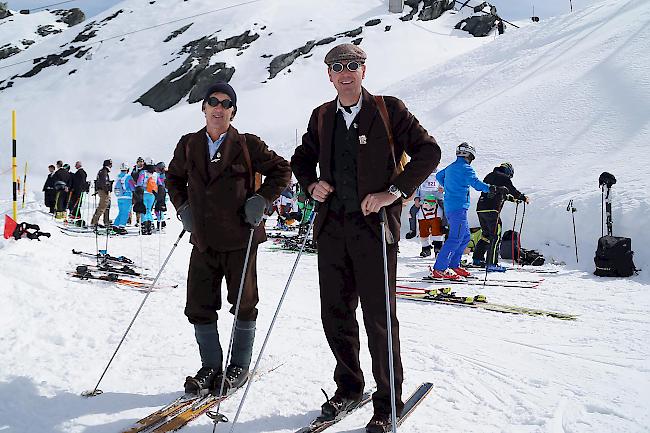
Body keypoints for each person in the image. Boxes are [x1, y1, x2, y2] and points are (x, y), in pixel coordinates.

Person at [290, 44, 440, 433]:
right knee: (335, 314)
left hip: (375, 231)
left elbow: (428, 151)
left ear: (363, 70)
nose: (345, 72)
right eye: (338, 66)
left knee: (379, 319)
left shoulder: (390, 110)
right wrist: (311, 184)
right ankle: (350, 387)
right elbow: (301, 159)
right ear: (329, 74)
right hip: (332, 231)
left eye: (352, 65)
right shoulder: (322, 116)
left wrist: (395, 191)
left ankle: (388, 402)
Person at [166, 82, 291, 396]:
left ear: (233, 111)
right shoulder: (189, 144)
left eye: (226, 103)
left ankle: (238, 366)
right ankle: (210, 367)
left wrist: (262, 199)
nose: (219, 108)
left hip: (241, 239)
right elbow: (173, 178)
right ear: (204, 107)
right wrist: (183, 207)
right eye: (213, 102)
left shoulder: (248, 144)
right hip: (204, 239)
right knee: (198, 304)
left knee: (244, 303)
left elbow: (282, 170)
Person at [430, 143, 507, 280]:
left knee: (465, 237)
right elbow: (477, 184)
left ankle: (454, 265)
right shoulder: (466, 169)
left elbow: (439, 176)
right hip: (458, 208)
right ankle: (440, 268)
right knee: (455, 238)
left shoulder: (450, 168)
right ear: (470, 155)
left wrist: (449, 186)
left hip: (452, 207)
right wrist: (493, 189)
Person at [472, 162, 529, 271]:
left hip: (481, 209)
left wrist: (513, 199)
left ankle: (477, 259)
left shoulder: (489, 176)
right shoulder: (504, 178)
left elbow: (499, 192)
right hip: (492, 210)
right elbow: (511, 190)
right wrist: (522, 197)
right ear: (508, 172)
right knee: (495, 236)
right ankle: (491, 263)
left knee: (486, 235)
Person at [136, 158, 158, 235]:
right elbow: (159, 184)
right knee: (149, 210)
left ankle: (144, 226)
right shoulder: (155, 174)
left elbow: (139, 183)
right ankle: (150, 225)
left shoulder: (143, 173)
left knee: (143, 210)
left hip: (144, 193)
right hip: (152, 194)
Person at [113, 163, 135, 233]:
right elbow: (132, 187)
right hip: (127, 197)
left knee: (121, 212)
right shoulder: (128, 177)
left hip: (119, 197)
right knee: (126, 212)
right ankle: (122, 227)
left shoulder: (118, 176)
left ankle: (115, 225)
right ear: (127, 169)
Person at [91, 159, 113, 228]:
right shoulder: (104, 172)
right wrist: (107, 189)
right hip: (103, 191)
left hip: (102, 190)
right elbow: (103, 183)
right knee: (102, 206)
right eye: (110, 164)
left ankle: (105, 221)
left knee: (106, 206)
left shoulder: (102, 171)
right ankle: (94, 222)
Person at [130, 157, 145, 226]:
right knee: (136, 204)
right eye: (139, 161)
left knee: (142, 204)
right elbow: (131, 178)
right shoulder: (134, 170)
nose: (141, 163)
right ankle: (136, 220)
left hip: (143, 190)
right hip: (135, 189)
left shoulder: (145, 170)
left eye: (142, 161)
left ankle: (143, 220)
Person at [154, 162, 167, 231]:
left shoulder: (163, 176)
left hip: (162, 194)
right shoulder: (161, 175)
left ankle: (161, 223)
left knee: (159, 209)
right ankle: (162, 222)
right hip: (161, 194)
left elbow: (161, 185)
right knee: (158, 210)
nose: (157, 170)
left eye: (158, 169)